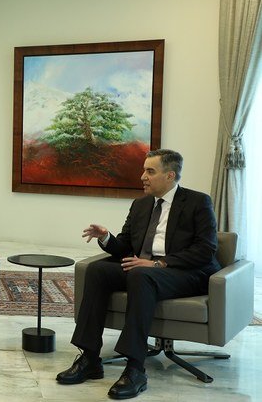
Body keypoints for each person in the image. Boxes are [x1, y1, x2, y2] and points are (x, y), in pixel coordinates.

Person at [56, 149, 219, 399]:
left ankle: (135, 369)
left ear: (170, 175)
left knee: (140, 275)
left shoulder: (198, 202)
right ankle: (89, 358)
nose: (143, 176)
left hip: (184, 272)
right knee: (98, 270)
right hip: (143, 270)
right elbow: (125, 246)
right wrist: (106, 238)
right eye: (143, 170)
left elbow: (205, 250)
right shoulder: (141, 204)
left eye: (150, 171)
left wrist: (157, 265)